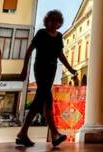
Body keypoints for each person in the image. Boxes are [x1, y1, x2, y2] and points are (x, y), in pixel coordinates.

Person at [16, 10, 77, 147]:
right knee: (40, 98)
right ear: (47, 21)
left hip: (51, 70)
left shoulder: (59, 36)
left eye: (57, 21)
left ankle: (54, 134)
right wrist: (24, 68)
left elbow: (60, 55)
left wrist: (70, 69)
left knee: (47, 99)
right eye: (51, 20)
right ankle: (23, 133)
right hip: (41, 68)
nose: (54, 23)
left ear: (59, 23)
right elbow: (29, 50)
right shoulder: (41, 34)